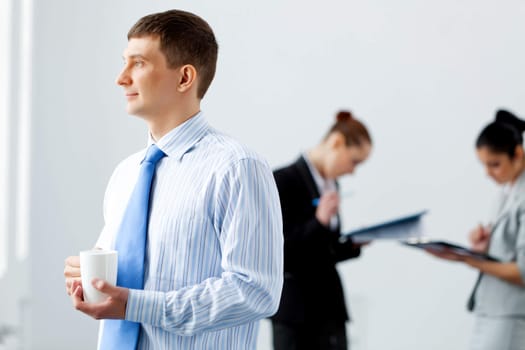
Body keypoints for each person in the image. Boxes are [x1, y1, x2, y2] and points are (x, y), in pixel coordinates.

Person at [63, 9, 283, 350]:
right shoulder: (126, 174)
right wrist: (89, 278)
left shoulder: (237, 167)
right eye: (124, 62)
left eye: (138, 63)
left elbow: (256, 291)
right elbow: (130, 274)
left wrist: (137, 306)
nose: (121, 78)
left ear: (184, 78)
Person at [270, 110, 372, 350]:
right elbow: (280, 253)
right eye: (354, 161)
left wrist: (352, 244)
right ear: (336, 143)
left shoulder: (331, 185)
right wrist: (319, 222)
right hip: (297, 316)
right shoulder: (283, 180)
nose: (352, 171)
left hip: (330, 310)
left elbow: (322, 252)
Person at [427, 109, 525, 350]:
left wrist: (470, 261)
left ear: (518, 155)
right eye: (484, 165)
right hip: (491, 309)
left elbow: (523, 272)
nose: (488, 173)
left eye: (495, 165)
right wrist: (483, 248)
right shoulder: (506, 191)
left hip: (511, 316)